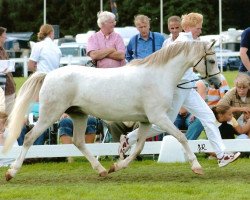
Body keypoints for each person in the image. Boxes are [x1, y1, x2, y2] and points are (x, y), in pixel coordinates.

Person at [119, 12, 241, 167]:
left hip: (188, 89)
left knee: (209, 118)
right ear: (189, 27)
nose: (200, 30)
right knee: (162, 124)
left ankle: (221, 155)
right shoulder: (182, 42)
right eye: (198, 28)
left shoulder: (192, 41)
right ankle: (128, 139)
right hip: (178, 89)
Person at [109, 14, 165, 143]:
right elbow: (127, 55)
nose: (143, 29)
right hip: (138, 78)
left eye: (145, 26)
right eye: (140, 27)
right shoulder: (133, 40)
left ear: (149, 25)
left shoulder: (159, 38)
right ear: (136, 27)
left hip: (155, 76)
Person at [0, 27, 16, 115]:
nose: (6, 38)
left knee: (9, 117)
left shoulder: (3, 50)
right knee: (4, 118)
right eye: (4, 36)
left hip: (9, 89)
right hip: (2, 90)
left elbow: (8, 71)